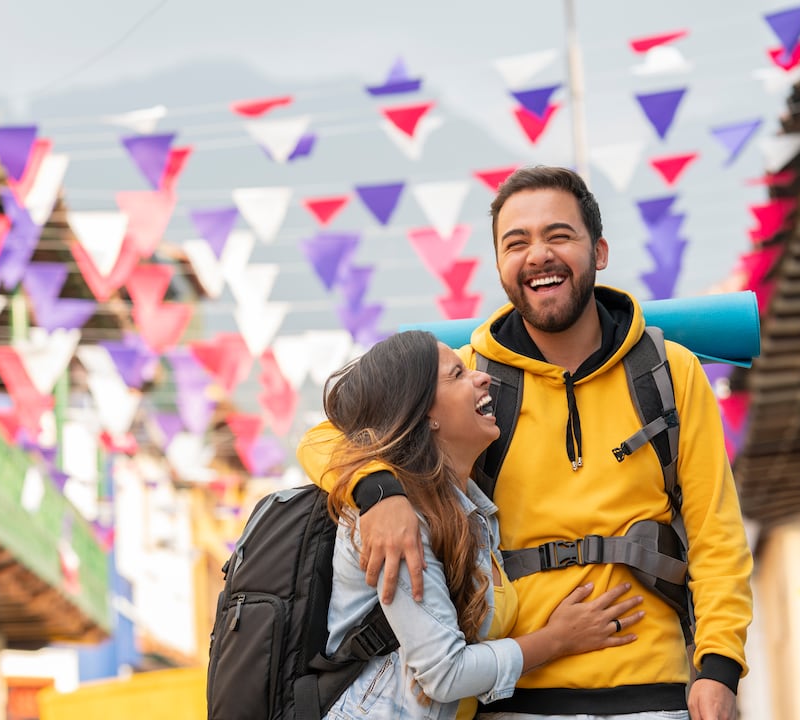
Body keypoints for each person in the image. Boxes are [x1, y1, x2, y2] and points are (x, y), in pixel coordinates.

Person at [299, 166, 753, 720]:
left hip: (655, 693)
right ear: (499, 267)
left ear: (599, 251)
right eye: (517, 243)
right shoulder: (468, 378)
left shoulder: (668, 372)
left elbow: (716, 535)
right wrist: (379, 493)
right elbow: (324, 438)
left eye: (559, 235)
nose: (538, 255)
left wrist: (720, 665)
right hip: (512, 697)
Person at [315, 329, 645, 720]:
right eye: (457, 374)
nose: (483, 377)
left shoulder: (472, 511)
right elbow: (444, 674)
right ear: (425, 415)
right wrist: (556, 640)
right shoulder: (397, 523)